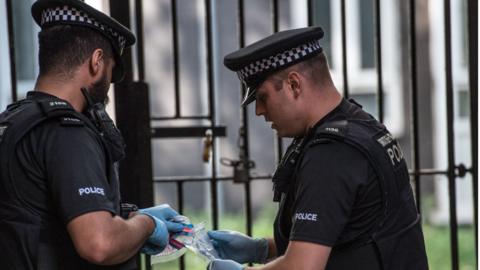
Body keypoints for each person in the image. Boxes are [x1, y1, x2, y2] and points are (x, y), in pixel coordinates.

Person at [207, 27, 429, 270]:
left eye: (262, 97)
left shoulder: (331, 155)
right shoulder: (361, 124)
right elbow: (344, 237)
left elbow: (302, 267)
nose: (259, 111)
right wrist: (263, 249)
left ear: (293, 84)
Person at [0, 0, 184, 269]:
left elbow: (36, 214)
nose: (108, 85)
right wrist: (146, 225)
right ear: (96, 61)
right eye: (110, 71)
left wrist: (125, 219)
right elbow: (99, 244)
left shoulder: (12, 123)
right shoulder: (67, 132)